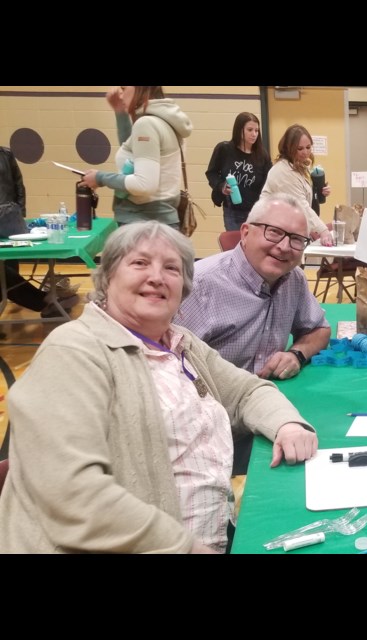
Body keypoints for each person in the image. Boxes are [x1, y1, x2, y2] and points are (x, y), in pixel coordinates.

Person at [0, 221, 318, 553]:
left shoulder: (179, 343)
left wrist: (288, 423)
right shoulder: (74, 352)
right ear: (107, 278)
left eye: (171, 268)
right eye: (139, 263)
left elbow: (245, 391)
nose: (156, 276)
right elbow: (70, 493)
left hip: (209, 536)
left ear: (183, 290)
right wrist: (186, 547)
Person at [178, 193, 332, 475]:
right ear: (246, 232)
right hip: (204, 439)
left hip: (264, 421)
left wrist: (297, 354)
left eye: (297, 239)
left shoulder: (293, 279)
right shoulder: (198, 286)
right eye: (274, 233)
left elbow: (319, 329)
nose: (284, 247)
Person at [80, 86, 192, 228]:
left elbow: (144, 185)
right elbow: (134, 155)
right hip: (159, 224)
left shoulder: (147, 124)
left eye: (124, 88)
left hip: (142, 227)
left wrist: (100, 178)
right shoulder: (166, 120)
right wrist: (120, 113)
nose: (120, 94)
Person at [1, 147, 79, 318]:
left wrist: (20, 215)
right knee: (4, 274)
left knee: (9, 267)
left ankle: (41, 301)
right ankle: (44, 301)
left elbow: (18, 186)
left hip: (8, 220)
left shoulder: (5, 154)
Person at [259, 123, 334, 245]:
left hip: (287, 230)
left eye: (308, 147)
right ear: (289, 148)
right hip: (274, 233)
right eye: (300, 149)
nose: (305, 152)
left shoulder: (299, 167)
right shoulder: (284, 172)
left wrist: (317, 191)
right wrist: (324, 231)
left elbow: (302, 194)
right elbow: (301, 206)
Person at [205, 112, 272, 231]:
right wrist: (221, 187)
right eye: (250, 130)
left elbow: (269, 181)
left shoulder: (262, 155)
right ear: (239, 130)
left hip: (255, 211)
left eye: (257, 130)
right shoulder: (224, 149)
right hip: (232, 210)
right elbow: (211, 173)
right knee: (236, 244)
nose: (254, 134)